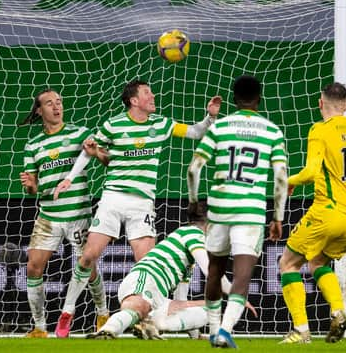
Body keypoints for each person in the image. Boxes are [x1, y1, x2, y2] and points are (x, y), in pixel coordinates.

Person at [52, 80, 222, 337]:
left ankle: (149, 320)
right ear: (134, 100)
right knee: (88, 256)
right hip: (113, 198)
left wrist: (210, 117)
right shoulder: (113, 124)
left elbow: (196, 132)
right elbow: (90, 150)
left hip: (142, 202)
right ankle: (67, 311)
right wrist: (69, 178)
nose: (153, 96)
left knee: (149, 264)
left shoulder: (160, 124)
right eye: (147, 93)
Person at [277, 82, 346, 344]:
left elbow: (312, 172)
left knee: (288, 264)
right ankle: (338, 311)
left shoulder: (320, 130)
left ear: (320, 103)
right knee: (318, 263)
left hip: (327, 211)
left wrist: (288, 180)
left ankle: (301, 330)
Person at [186, 75, 288, 348]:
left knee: (216, 272)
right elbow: (280, 177)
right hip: (250, 212)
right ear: (260, 98)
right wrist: (278, 217)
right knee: (242, 275)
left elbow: (193, 168)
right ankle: (225, 331)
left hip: (219, 209)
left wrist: (194, 202)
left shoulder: (219, 128)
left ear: (234, 98)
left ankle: (213, 329)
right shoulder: (272, 131)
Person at [86, 201, 256, 339]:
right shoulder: (192, 234)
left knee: (210, 308)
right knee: (138, 307)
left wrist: (195, 335)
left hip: (158, 297)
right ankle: (108, 331)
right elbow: (211, 272)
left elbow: (180, 300)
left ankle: (154, 324)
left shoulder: (187, 257)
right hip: (146, 279)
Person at [19, 89, 109, 338]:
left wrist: (96, 151)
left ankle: (102, 313)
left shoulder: (79, 133)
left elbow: (104, 156)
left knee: (88, 269)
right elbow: (32, 189)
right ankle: (39, 327)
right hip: (48, 216)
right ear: (39, 111)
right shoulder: (33, 145)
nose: (56, 107)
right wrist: (29, 186)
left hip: (79, 214)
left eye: (59, 102)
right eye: (50, 103)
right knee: (34, 267)